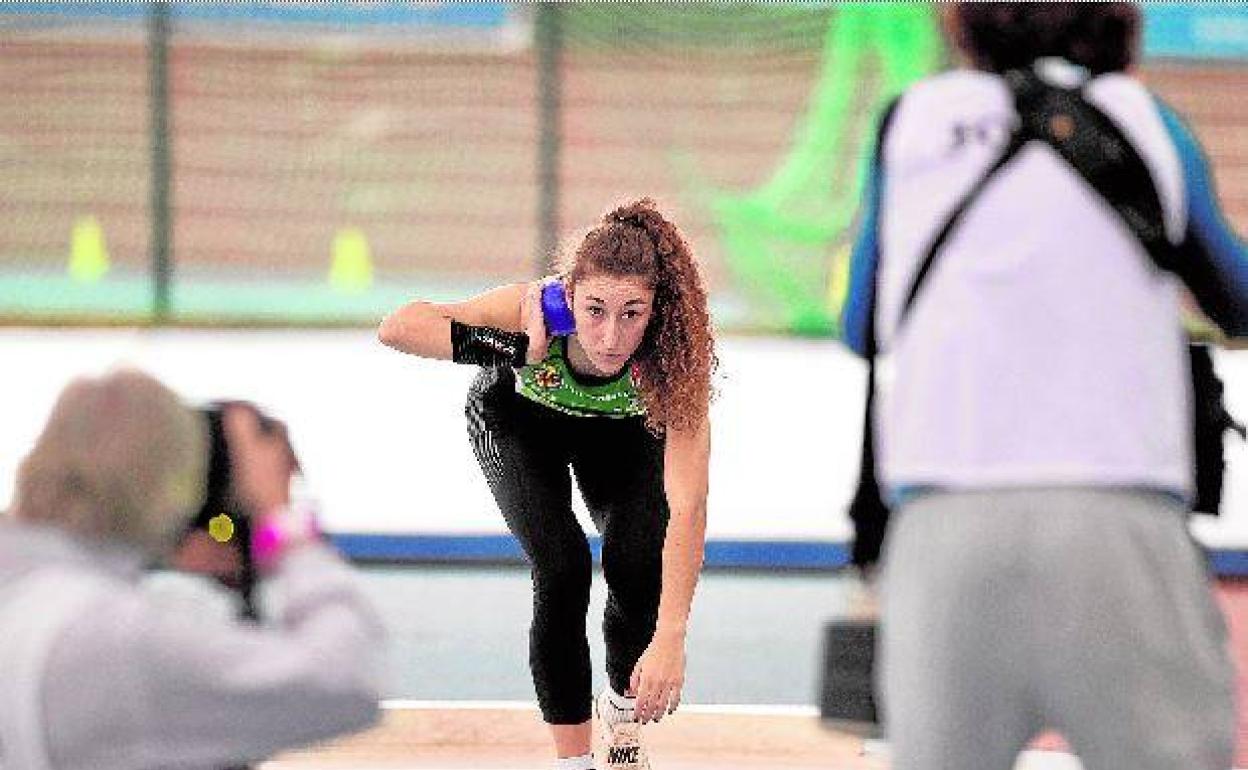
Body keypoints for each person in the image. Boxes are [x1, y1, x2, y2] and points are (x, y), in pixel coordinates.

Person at [840, 4, 1248, 770]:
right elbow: (1237, 299)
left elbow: (860, 326)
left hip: (945, 525)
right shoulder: (1146, 120)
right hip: (1119, 518)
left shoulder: (909, 122)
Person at [379, 197, 715, 770]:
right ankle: (573, 762)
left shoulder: (674, 357)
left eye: (632, 313)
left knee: (639, 562)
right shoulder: (534, 308)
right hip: (520, 424)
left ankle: (621, 716)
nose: (610, 336)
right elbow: (398, 327)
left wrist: (671, 637)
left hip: (623, 436)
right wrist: (515, 349)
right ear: (568, 295)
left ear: (656, 311)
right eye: (594, 310)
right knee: (561, 567)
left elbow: (688, 507)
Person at [0, 369, 385, 770]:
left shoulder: (29, 596)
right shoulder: (119, 642)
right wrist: (281, 521)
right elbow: (345, 684)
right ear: (167, 491)